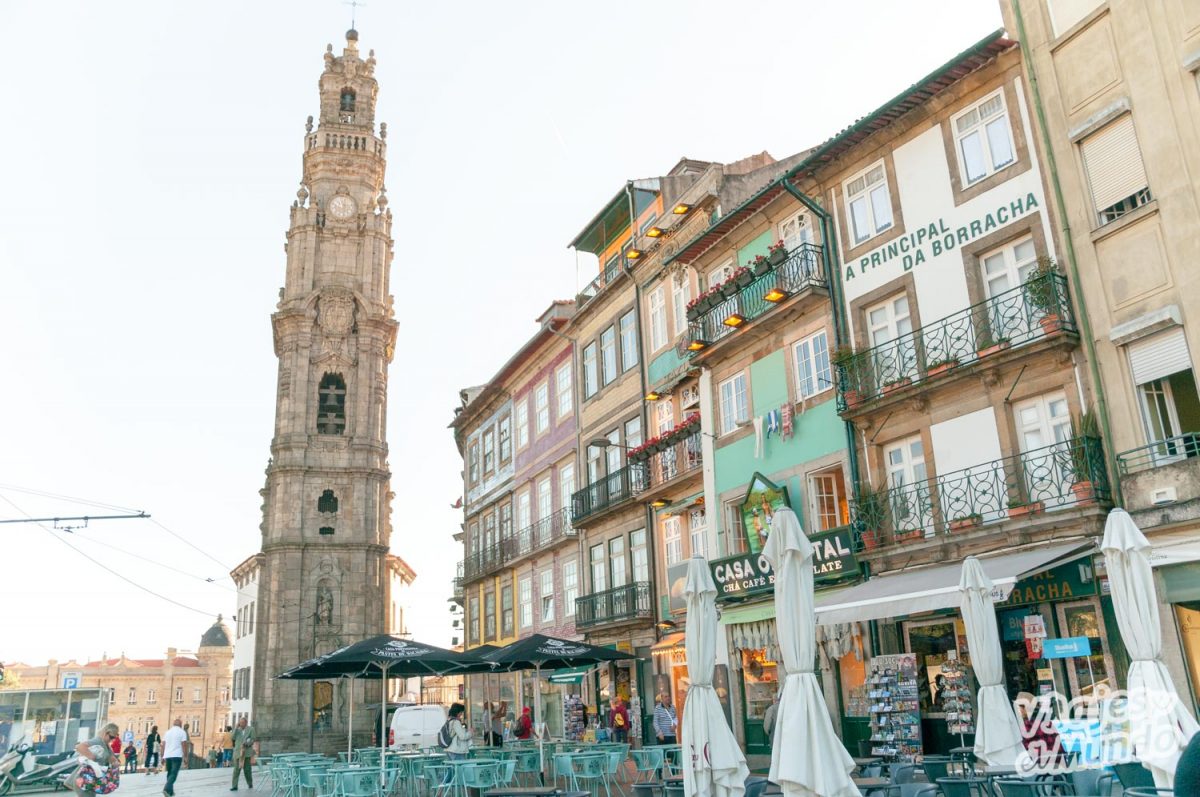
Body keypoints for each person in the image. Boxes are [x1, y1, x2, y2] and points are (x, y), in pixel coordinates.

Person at [73, 723, 120, 797]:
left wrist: (115, 762)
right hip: (85, 779)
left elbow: (112, 759)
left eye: (114, 738)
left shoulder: (105, 745)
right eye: (111, 737)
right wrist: (91, 757)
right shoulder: (98, 741)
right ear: (106, 733)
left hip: (91, 780)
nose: (112, 740)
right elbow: (79, 747)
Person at [162, 718, 188, 797]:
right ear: (180, 725)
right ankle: (166, 789)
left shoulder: (167, 732)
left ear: (173, 724)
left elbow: (163, 744)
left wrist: (162, 756)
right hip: (177, 756)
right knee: (174, 773)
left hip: (167, 756)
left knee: (169, 773)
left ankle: (170, 792)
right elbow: (184, 745)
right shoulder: (182, 732)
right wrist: (186, 756)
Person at [230, 716, 256, 791]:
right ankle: (234, 786)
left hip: (247, 752)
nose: (241, 724)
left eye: (242, 723)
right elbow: (232, 737)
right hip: (238, 752)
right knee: (236, 770)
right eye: (240, 723)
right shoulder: (237, 730)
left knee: (247, 770)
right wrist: (235, 728)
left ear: (246, 723)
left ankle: (250, 783)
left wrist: (248, 743)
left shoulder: (251, 729)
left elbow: (253, 738)